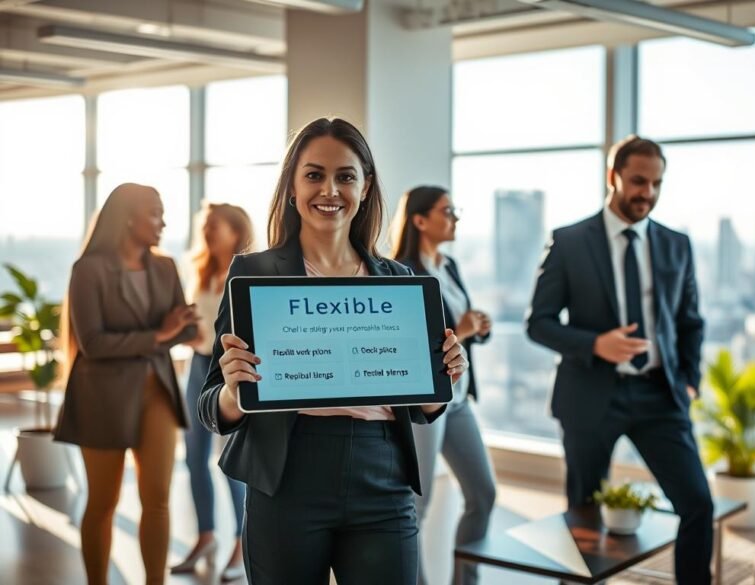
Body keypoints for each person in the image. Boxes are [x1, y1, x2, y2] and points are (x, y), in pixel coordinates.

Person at [195, 117, 467, 585]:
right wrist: (231, 390)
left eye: (345, 176)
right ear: (293, 186)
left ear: (365, 186)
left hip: (383, 477)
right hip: (286, 476)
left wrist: (442, 379)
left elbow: (424, 406)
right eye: (314, 174)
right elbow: (211, 406)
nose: (330, 190)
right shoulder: (253, 275)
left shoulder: (400, 282)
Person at [525, 135, 713, 584]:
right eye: (638, 181)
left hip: (659, 395)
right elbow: (539, 322)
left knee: (697, 505)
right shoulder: (569, 241)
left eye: (656, 184)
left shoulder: (676, 244)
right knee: (583, 518)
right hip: (591, 395)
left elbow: (690, 321)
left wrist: (689, 381)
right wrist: (595, 344)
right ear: (613, 177)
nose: (646, 193)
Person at [53, 183, 199, 585]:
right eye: (155, 212)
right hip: (102, 397)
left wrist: (180, 329)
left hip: (157, 393)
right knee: (102, 502)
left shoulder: (166, 267)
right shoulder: (89, 270)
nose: (163, 222)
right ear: (128, 217)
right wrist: (158, 334)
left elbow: (183, 332)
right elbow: (93, 344)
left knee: (158, 500)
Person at [390, 186, 496, 585]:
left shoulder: (447, 264)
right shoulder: (400, 272)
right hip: (425, 404)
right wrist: (463, 330)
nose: (455, 218)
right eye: (447, 211)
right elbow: (413, 343)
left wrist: (476, 328)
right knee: (417, 505)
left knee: (482, 494)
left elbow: (461, 323)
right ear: (419, 220)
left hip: (460, 398)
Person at [171, 203, 254, 581]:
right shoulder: (201, 269)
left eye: (213, 226)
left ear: (235, 232)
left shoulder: (249, 272)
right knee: (193, 458)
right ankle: (205, 535)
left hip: (228, 373)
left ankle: (241, 542)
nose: (206, 232)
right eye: (204, 225)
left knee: (231, 463)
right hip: (198, 366)